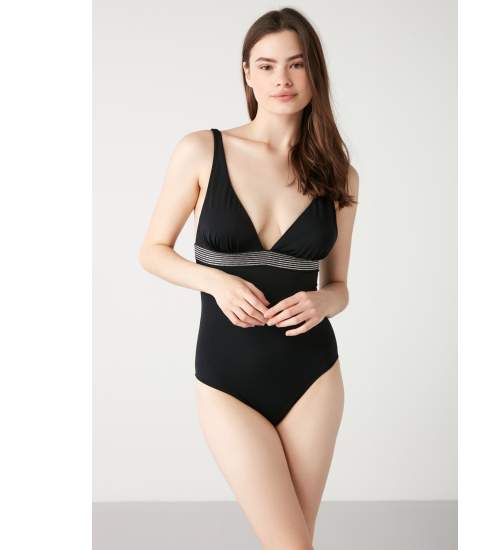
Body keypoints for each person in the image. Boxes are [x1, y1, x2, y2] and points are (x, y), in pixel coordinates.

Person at [139, 7, 359, 549]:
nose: (282, 79)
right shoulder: (202, 150)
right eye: (267, 65)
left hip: (312, 376)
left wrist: (324, 302)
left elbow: (339, 286)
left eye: (296, 64)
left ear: (315, 72)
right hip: (227, 380)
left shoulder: (339, 175)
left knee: (295, 542)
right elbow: (152, 252)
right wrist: (216, 281)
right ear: (247, 74)